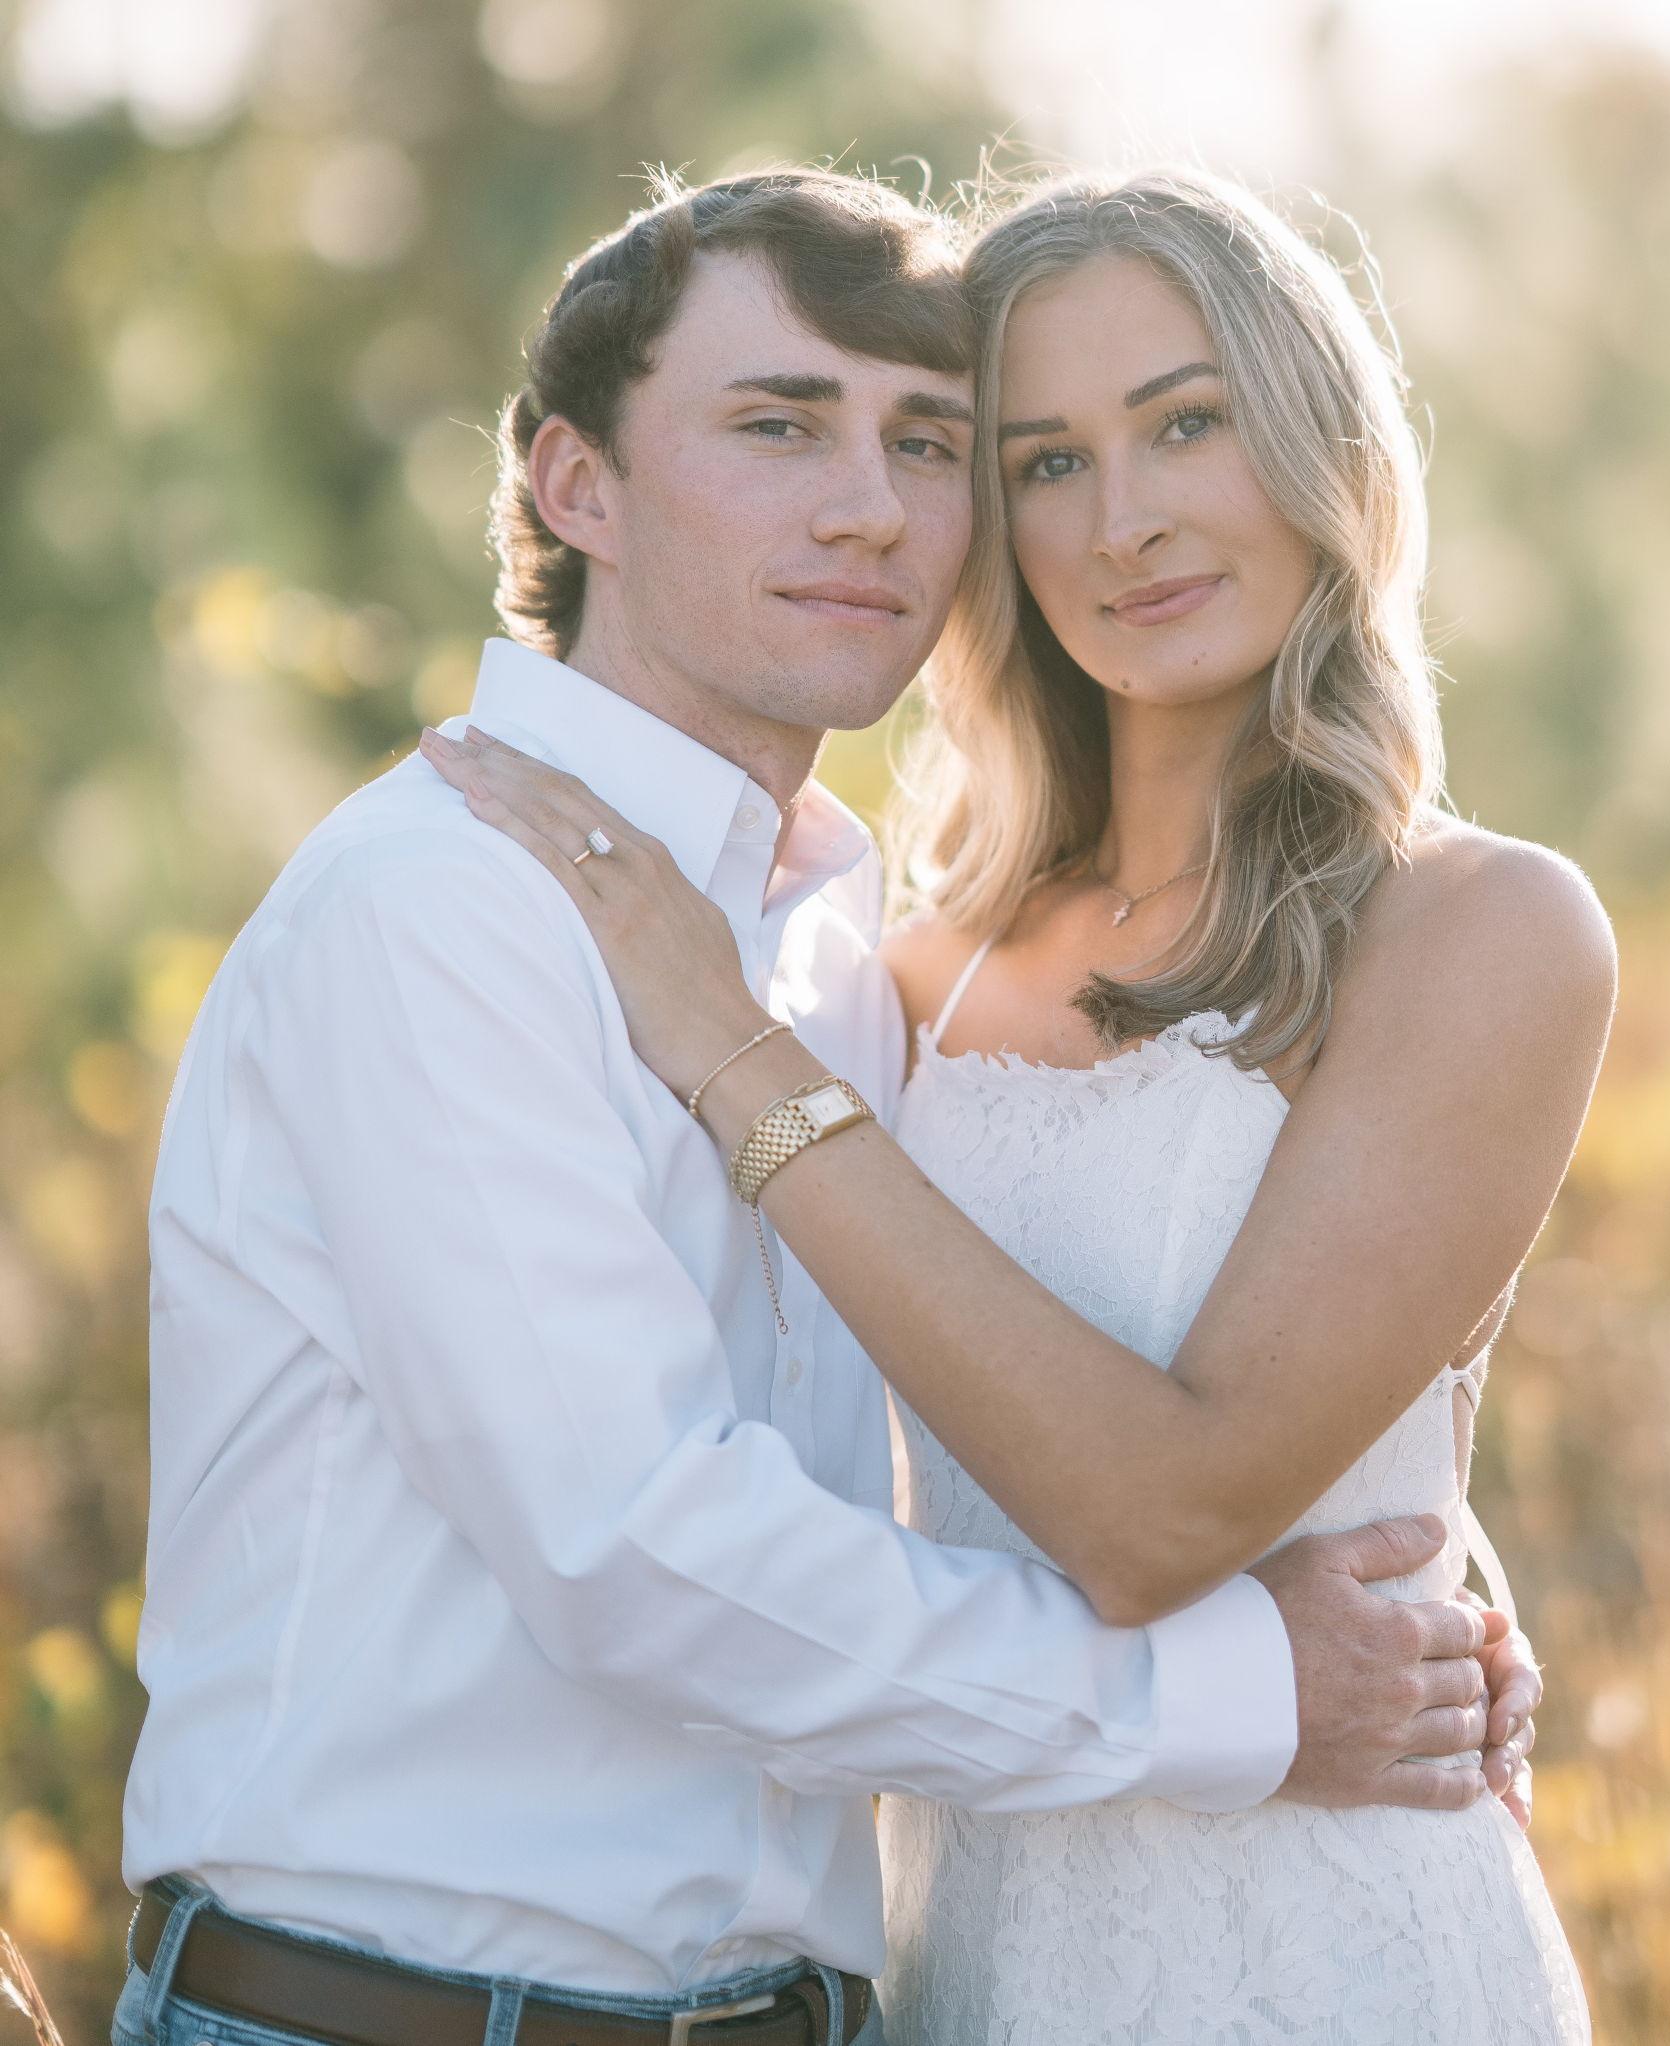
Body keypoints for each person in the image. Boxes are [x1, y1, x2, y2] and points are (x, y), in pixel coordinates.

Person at [119, 168, 1540, 2046]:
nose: (871, 506)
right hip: (397, 2015)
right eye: (779, 425)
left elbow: (1045, 1384)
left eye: (929, 441)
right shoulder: (444, 908)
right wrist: (1247, 1690)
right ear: (577, 486)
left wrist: (1423, 1558)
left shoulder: (839, 947)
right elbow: (638, 1547)